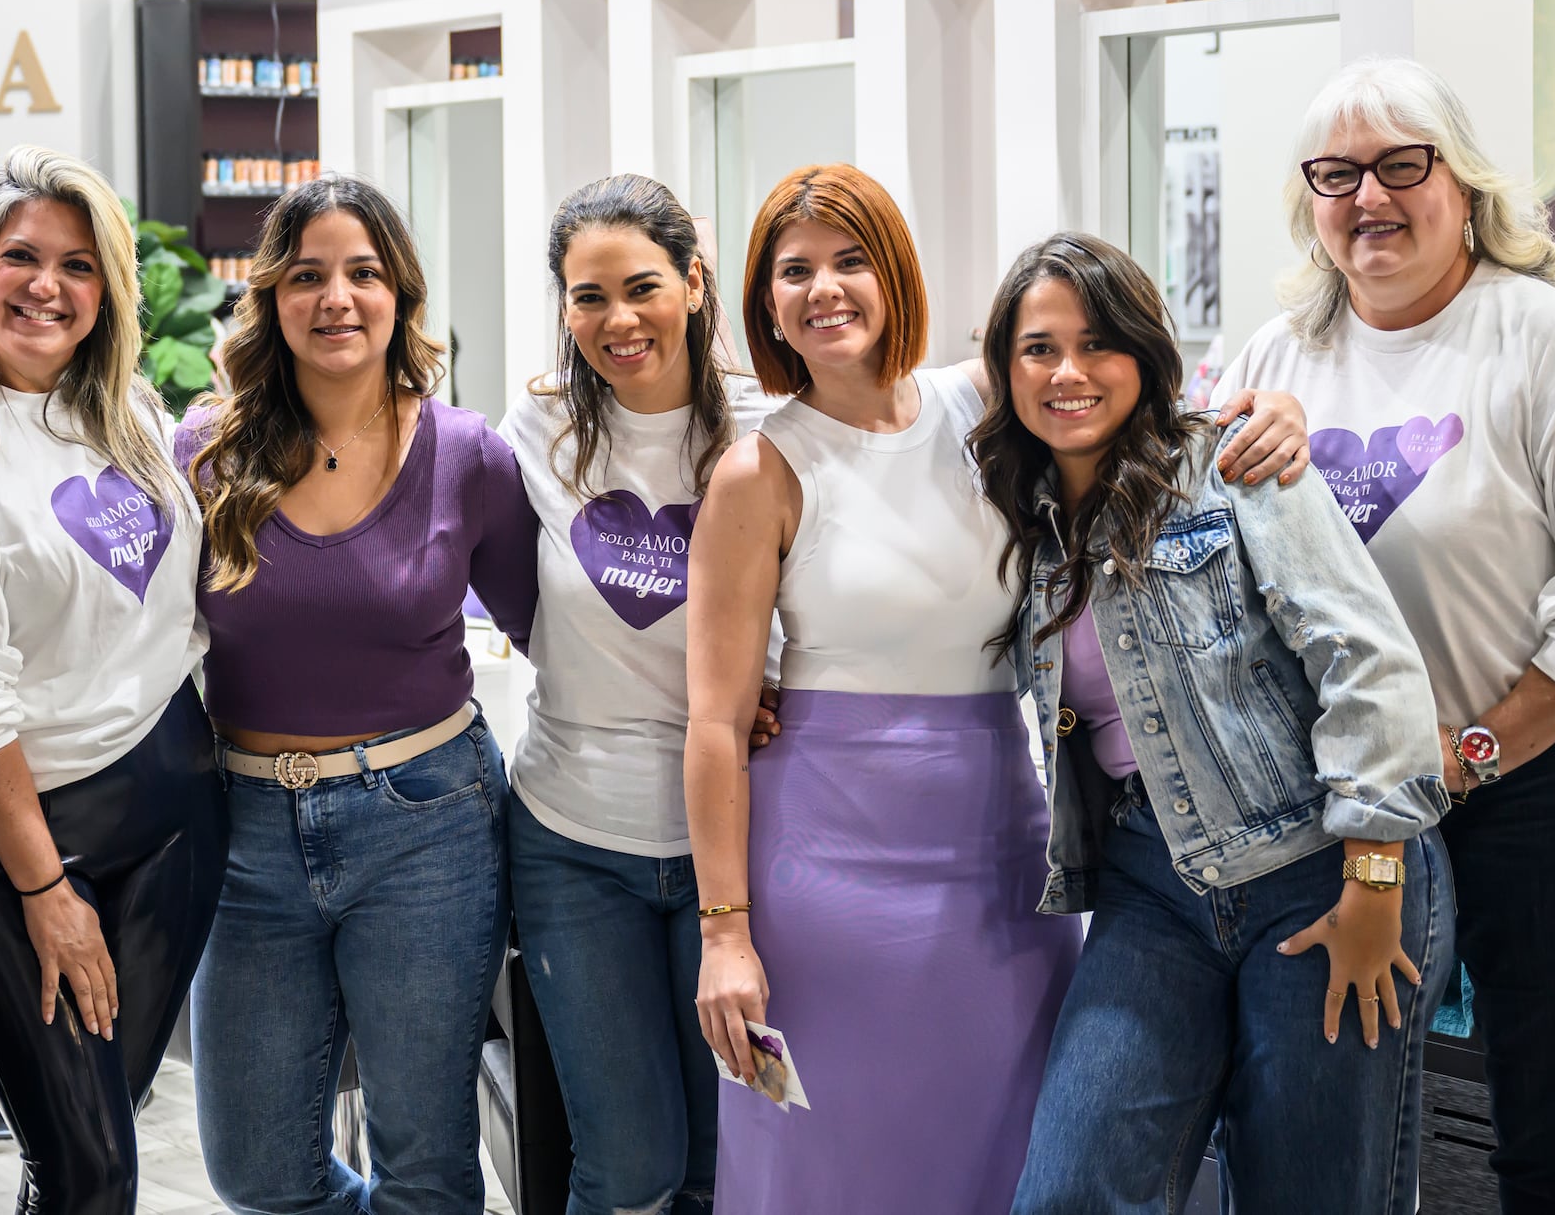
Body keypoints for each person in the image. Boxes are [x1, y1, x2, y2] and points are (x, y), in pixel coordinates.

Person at [1216, 57, 1555, 1211]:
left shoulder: (1554, 346)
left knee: (1545, 1123)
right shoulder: (1279, 358)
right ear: (1308, 201)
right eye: (1337, 175)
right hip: (1373, 789)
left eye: (1399, 166)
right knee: (1362, 1102)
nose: (1368, 198)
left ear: (1463, 187)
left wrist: (1471, 749)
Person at [975, 233, 1450, 1215]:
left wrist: (1373, 880)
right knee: (1069, 1191)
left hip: (1328, 864)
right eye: (1038, 348)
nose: (1068, 372)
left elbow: (1367, 658)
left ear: (1145, 354)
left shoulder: (1228, 462)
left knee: (1310, 1196)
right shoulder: (1010, 508)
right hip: (1155, 882)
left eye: (1098, 341)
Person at [684, 163, 1083, 1211]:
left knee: (1004, 1153)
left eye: (850, 260)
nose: (824, 289)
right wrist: (724, 932)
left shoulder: (988, 402)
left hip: (1005, 868)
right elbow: (717, 725)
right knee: (826, 1168)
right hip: (825, 881)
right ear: (764, 301)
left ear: (894, 272)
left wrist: (1266, 407)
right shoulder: (757, 471)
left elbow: (1134, 400)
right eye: (794, 270)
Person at [0, 146, 224, 1215]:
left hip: (172, 820)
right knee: (91, 1168)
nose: (46, 286)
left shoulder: (132, 420)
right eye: (21, 256)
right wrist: (44, 892)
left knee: (94, 1143)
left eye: (77, 265)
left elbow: (180, 616)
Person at [178, 175, 539, 1215]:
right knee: (254, 1171)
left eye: (363, 274)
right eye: (308, 276)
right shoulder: (205, 451)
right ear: (272, 300)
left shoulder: (467, 455)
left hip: (426, 822)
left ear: (400, 297)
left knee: (426, 1167)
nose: (337, 298)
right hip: (244, 830)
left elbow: (547, 631)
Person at [498, 173, 767, 1215]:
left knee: (719, 1162)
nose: (617, 320)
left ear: (696, 284)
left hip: (736, 840)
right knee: (627, 1168)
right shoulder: (538, 428)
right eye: (588, 296)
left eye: (642, 287)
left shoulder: (770, 427)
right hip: (574, 843)